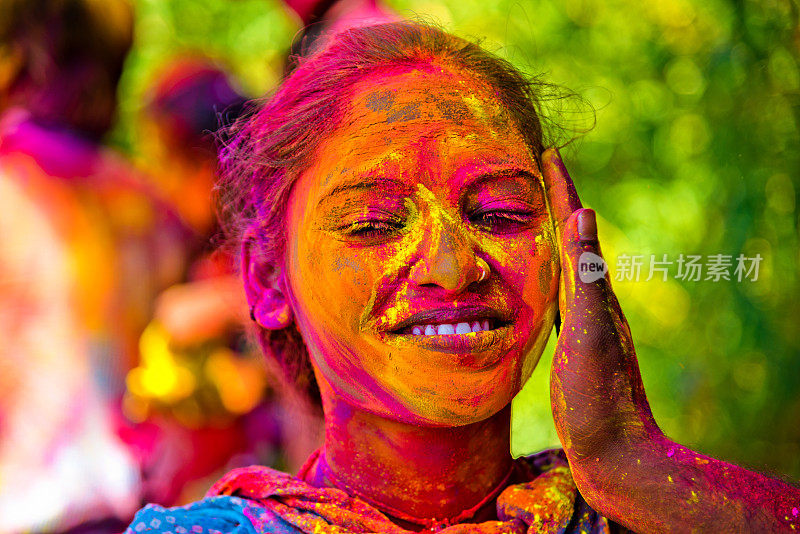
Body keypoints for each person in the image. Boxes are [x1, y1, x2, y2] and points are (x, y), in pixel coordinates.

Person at [126, 21, 800, 533]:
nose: (453, 268)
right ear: (269, 281)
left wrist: (628, 461)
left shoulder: (640, 512)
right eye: (374, 222)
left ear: (567, 249)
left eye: (502, 211)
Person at [0, 0, 190, 530]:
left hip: (20, 499)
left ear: (26, 55)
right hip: (127, 498)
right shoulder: (149, 205)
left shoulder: (12, 184)